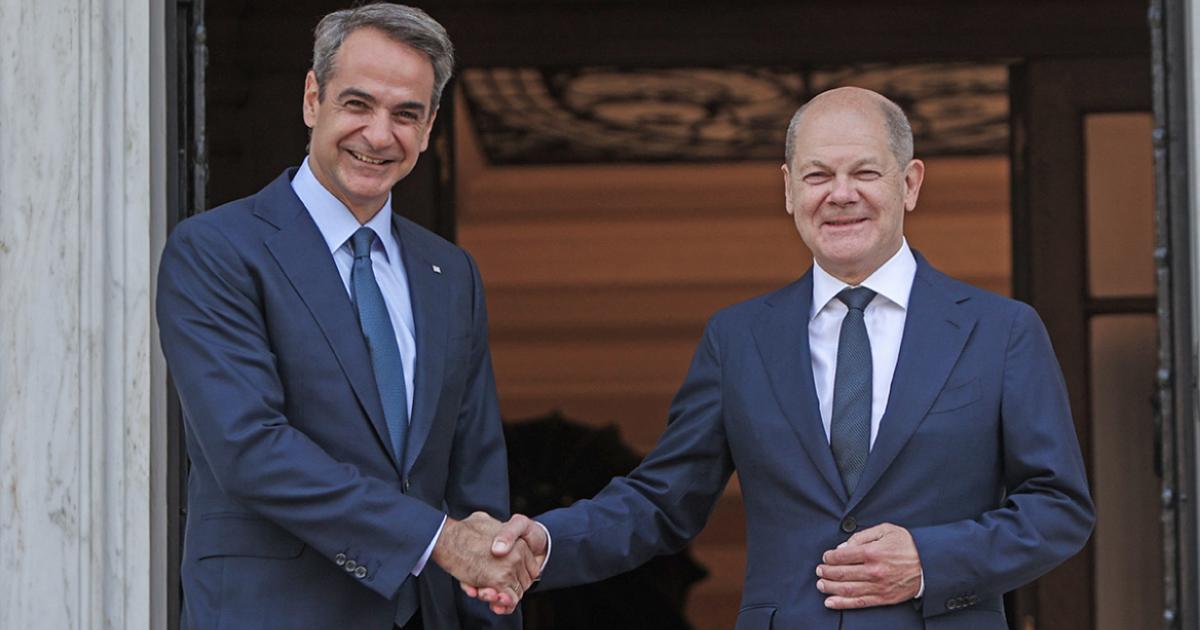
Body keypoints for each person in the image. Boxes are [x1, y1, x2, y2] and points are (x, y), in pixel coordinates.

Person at [472, 86, 1094, 629]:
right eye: (818, 175)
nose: (841, 194)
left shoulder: (1001, 331)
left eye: (865, 173)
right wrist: (548, 542)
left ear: (909, 184)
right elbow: (664, 499)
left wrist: (929, 560)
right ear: (790, 189)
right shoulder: (739, 338)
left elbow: (1058, 507)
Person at [157, 4, 540, 629]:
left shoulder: (450, 273)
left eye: (406, 114)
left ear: (429, 126)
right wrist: (436, 539)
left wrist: (490, 595)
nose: (379, 135)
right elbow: (251, 449)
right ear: (313, 98)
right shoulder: (217, 251)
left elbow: (475, 483)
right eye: (358, 104)